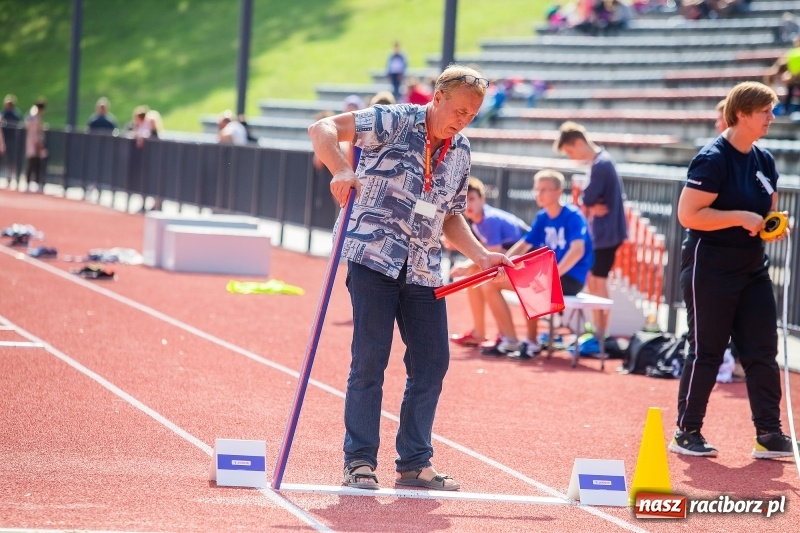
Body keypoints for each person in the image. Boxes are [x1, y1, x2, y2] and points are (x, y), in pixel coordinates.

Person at [309, 65, 510, 491]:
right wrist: (341, 168)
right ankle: (359, 461)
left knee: (432, 362)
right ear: (437, 98)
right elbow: (321, 128)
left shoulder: (461, 150)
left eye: (472, 114)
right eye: (459, 110)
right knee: (370, 359)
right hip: (373, 256)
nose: (464, 120)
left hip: (423, 267)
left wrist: (480, 255)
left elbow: (450, 215)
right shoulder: (395, 119)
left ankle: (415, 463)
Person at [669, 81, 796, 459]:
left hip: (752, 266)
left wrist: (774, 225)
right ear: (742, 113)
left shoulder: (764, 159)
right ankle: (687, 432)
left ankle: (769, 434)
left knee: (762, 350)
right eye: (765, 112)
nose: (772, 117)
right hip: (710, 267)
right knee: (707, 351)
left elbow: (766, 210)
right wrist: (739, 217)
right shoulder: (713, 158)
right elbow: (688, 215)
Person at [480, 169, 594, 359]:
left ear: (558, 192)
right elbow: (523, 244)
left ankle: (532, 343)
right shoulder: (543, 216)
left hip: (571, 278)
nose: (538, 194)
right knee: (491, 283)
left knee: (530, 282)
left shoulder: (573, 216)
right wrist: (502, 263)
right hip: (551, 275)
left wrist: (553, 274)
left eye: (544, 189)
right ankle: (510, 338)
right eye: (537, 189)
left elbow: (577, 251)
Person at [555, 121, 627, 333]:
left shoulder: (600, 164)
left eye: (570, 151)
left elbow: (587, 197)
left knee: (598, 282)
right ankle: (598, 331)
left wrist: (590, 203)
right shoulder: (601, 161)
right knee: (595, 282)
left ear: (578, 142)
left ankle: (601, 334)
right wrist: (591, 204)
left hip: (607, 234)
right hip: (605, 233)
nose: (571, 156)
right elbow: (589, 200)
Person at [448, 176, 529, 347]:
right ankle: (479, 332)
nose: (468, 204)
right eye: (464, 200)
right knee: (474, 274)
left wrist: (465, 265)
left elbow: (493, 254)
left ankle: (508, 337)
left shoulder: (489, 220)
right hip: (519, 264)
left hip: (532, 268)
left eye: (472, 199)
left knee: (485, 280)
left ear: (482, 199)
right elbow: (488, 250)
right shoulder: (477, 222)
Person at [24, 98, 47, 193]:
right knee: (32, 164)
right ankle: (29, 183)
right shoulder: (34, 116)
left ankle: (35, 183)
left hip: (34, 143)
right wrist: (38, 142)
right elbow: (35, 131)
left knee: (36, 164)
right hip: (34, 144)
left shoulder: (33, 115)